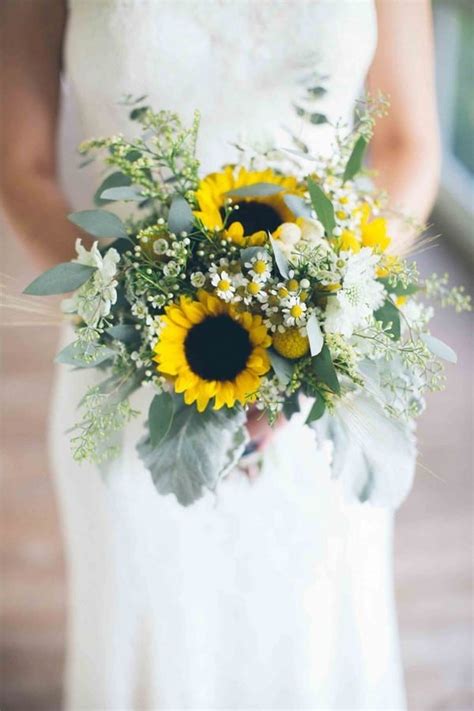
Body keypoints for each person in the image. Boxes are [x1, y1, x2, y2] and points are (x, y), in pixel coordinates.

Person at [0, 1, 440, 709]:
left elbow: (409, 145)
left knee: (319, 634)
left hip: (321, 361)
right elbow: (19, 162)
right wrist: (139, 314)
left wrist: (317, 304)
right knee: (149, 641)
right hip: (128, 363)